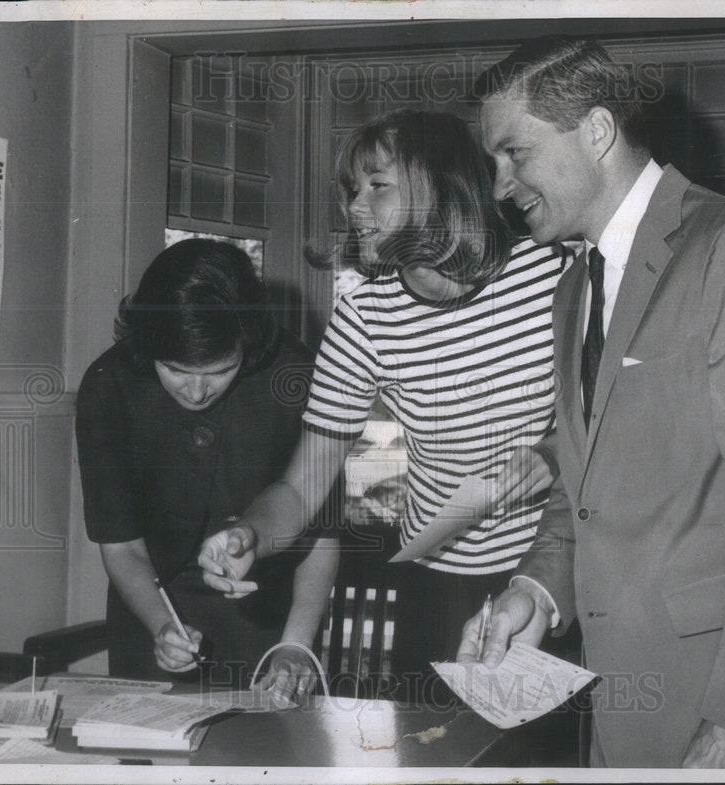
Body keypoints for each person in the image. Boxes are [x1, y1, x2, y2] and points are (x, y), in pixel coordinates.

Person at [456, 38, 725, 768]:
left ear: (598, 130)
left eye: (514, 153)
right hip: (625, 709)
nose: (499, 185)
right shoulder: (575, 288)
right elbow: (585, 487)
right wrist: (534, 591)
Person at [199, 110, 569, 701]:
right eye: (350, 191)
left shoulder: (550, 271)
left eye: (377, 186)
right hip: (435, 583)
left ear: (441, 184)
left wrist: (554, 452)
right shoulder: (364, 317)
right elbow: (300, 491)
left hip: (553, 569)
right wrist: (248, 534)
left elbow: (618, 424)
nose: (353, 207)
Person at [76, 239, 339, 695]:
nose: (196, 392)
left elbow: (322, 532)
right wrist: (162, 629)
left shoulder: (297, 376)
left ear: (247, 343)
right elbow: (121, 546)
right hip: (150, 605)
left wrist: (296, 644)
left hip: (266, 614)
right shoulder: (107, 386)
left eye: (219, 370)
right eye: (175, 369)